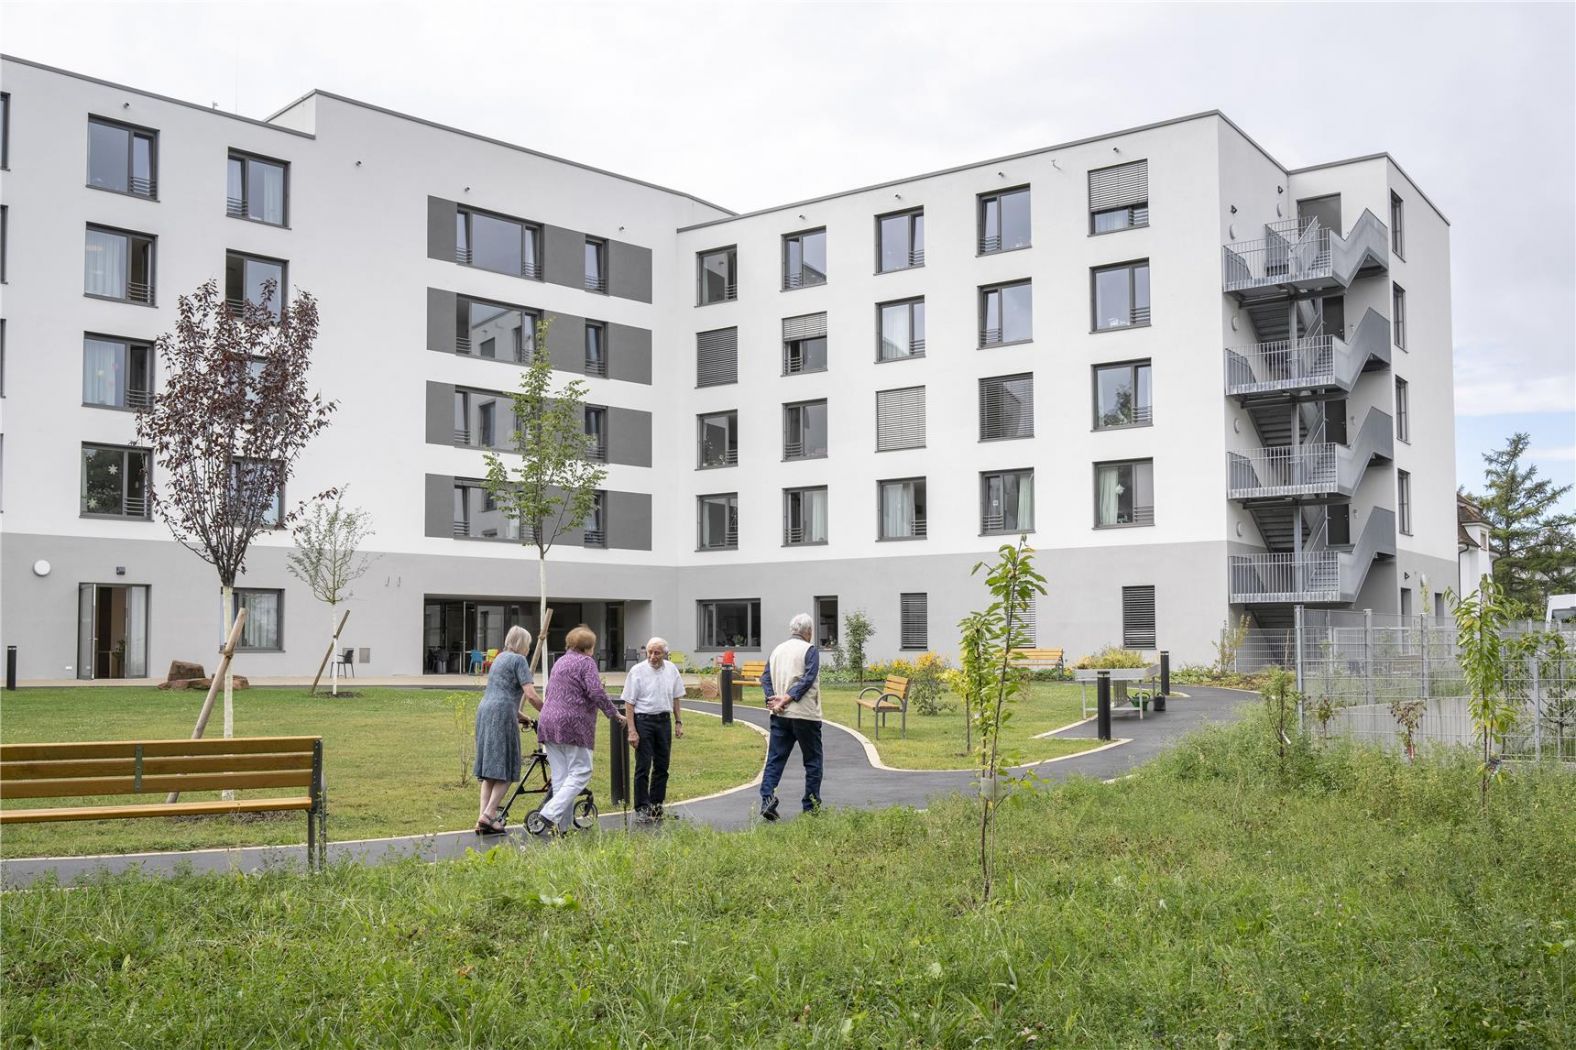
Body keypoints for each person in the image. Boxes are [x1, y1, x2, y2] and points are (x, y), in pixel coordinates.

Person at [536, 624, 634, 835]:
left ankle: (562, 828)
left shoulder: (560, 661)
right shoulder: (586, 662)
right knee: (581, 772)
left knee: (561, 777)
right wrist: (614, 713)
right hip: (573, 723)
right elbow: (596, 691)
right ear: (589, 647)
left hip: (548, 721)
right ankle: (549, 813)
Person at [474, 625, 542, 834]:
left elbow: (500, 695)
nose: (529, 648)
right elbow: (530, 695)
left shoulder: (499, 658)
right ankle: (489, 814)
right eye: (528, 644)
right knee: (507, 767)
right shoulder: (519, 660)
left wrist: (524, 718)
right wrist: (548, 711)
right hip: (502, 714)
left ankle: (482, 818)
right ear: (522, 644)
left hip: (485, 711)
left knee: (490, 771)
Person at [757, 612, 822, 821]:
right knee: (812, 761)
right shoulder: (809, 650)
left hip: (780, 715)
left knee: (775, 759)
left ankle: (767, 800)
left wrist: (772, 699)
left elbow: (765, 678)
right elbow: (808, 678)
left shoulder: (777, 650)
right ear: (809, 632)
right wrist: (788, 698)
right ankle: (811, 806)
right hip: (805, 714)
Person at [621, 636, 686, 823]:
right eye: (649, 652)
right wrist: (632, 730)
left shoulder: (671, 669)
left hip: (664, 721)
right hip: (644, 721)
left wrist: (678, 721)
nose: (652, 656)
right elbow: (629, 703)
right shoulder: (637, 671)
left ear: (665, 654)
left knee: (662, 766)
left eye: (657, 653)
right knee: (643, 766)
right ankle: (642, 808)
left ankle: (656, 806)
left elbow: (676, 697)